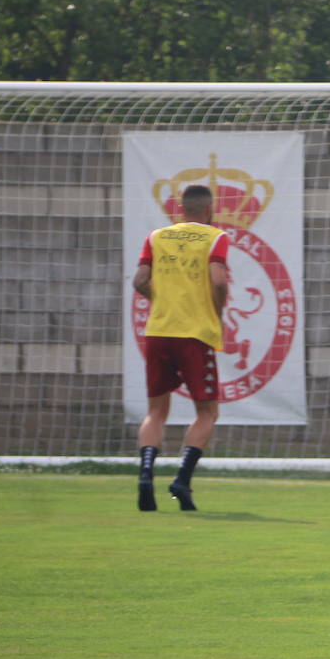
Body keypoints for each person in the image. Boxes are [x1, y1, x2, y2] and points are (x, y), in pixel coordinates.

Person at [132, 184, 229, 512]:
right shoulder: (215, 238)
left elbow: (139, 280)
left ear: (181, 209)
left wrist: (161, 300)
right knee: (207, 411)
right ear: (209, 209)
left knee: (156, 410)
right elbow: (218, 280)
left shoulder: (156, 236)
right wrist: (217, 310)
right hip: (195, 333)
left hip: (159, 330)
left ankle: (145, 475)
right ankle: (182, 479)